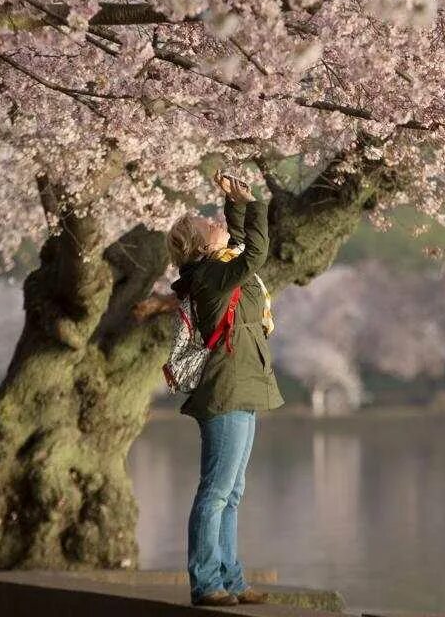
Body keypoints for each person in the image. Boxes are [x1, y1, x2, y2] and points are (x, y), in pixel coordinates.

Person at [167, 171, 284, 607]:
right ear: (200, 246)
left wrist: (237, 206)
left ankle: (231, 580)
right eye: (207, 223)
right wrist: (254, 206)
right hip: (225, 389)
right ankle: (205, 583)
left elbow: (240, 248)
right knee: (215, 491)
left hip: (243, 384)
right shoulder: (209, 278)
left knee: (232, 493)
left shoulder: (218, 268)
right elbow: (254, 252)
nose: (212, 220)